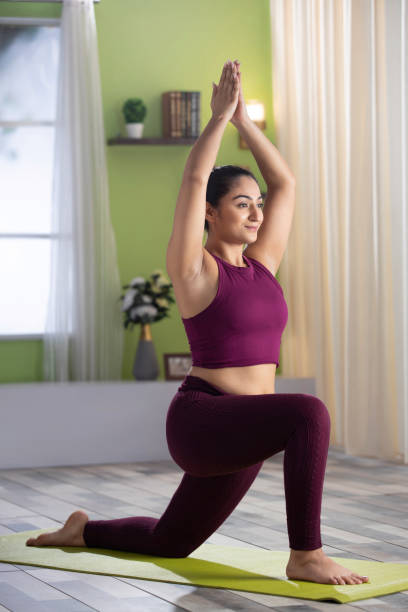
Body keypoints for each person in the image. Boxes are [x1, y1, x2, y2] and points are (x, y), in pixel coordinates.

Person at [26, 59, 369, 587]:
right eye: (240, 204)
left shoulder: (263, 264)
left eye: (257, 205)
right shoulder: (195, 271)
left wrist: (244, 122)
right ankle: (306, 555)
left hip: (244, 428)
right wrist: (216, 119)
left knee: (173, 542)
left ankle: (83, 531)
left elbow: (286, 183)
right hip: (203, 422)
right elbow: (193, 177)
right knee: (310, 414)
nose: (256, 214)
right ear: (209, 212)